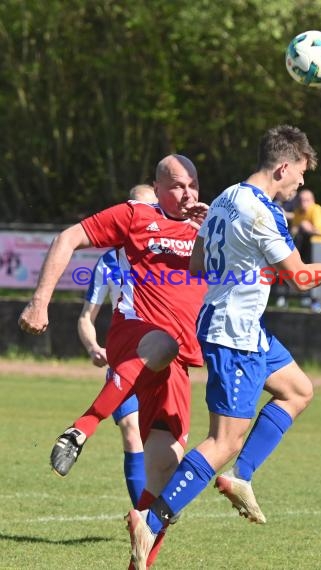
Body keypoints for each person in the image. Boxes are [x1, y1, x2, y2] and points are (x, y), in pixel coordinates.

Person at [125, 124, 321, 570]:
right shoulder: (263, 213)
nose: (302, 183)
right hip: (235, 334)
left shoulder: (224, 198)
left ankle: (240, 477)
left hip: (241, 327)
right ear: (283, 166)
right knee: (223, 439)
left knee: (298, 390)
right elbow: (300, 278)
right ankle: (152, 519)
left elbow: (199, 263)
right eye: (300, 174)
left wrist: (241, 262)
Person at [18, 155, 208, 569]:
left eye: (192, 184)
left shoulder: (208, 227)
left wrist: (215, 229)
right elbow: (67, 237)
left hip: (176, 367)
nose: (187, 193)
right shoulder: (136, 215)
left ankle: (139, 563)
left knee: (165, 487)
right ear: (156, 188)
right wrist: (39, 302)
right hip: (136, 338)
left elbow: (260, 264)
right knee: (163, 345)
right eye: (177, 185)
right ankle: (82, 427)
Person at [74, 184, 157, 509]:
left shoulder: (165, 256)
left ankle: (156, 509)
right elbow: (86, 317)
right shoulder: (107, 262)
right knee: (131, 429)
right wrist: (93, 346)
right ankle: (143, 518)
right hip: (124, 358)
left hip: (160, 358)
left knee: (160, 439)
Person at [292, 188, 321, 312]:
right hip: (304, 247)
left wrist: (306, 227)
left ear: (312, 201)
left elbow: (317, 230)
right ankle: (307, 299)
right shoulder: (297, 211)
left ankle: (318, 303)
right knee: (305, 273)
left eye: (307, 200)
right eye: (301, 200)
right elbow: (293, 231)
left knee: (318, 275)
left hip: (318, 246)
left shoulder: (316, 209)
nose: (303, 203)